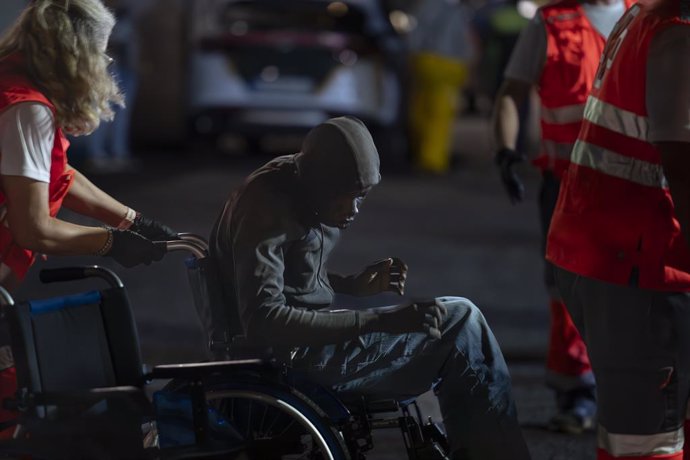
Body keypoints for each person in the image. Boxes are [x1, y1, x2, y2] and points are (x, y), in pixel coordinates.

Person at [210, 116, 532, 460]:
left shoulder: (295, 180)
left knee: (459, 313)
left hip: (301, 348)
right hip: (293, 359)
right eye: (344, 198)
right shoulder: (268, 205)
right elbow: (264, 319)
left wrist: (352, 285)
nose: (353, 210)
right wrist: (380, 320)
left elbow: (282, 276)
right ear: (319, 182)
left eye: (361, 196)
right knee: (462, 324)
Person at [0, 0, 177, 438]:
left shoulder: (17, 84)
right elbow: (34, 227)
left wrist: (132, 220)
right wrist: (113, 244)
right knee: (22, 397)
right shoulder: (27, 109)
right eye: (101, 49)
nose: (106, 60)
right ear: (76, 52)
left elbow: (57, 174)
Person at [545, 0, 690, 456]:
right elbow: (682, 166)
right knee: (648, 441)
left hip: (606, 252)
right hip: (641, 268)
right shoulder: (678, 36)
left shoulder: (647, 15)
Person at [491, 0, 632, 433]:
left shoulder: (645, 17)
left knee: (634, 288)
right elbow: (513, 90)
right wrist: (505, 150)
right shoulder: (551, 22)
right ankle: (577, 393)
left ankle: (632, 386)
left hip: (633, 186)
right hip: (566, 185)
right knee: (567, 290)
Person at [406, 0, 474, 174]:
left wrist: (411, 55)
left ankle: (419, 152)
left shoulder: (426, 5)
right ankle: (432, 159)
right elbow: (463, 39)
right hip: (449, 63)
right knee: (440, 113)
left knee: (421, 108)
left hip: (425, 60)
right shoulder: (457, 9)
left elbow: (415, 33)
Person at [83, 0, 139, 173]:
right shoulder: (95, 16)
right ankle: (96, 155)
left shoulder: (127, 17)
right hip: (105, 70)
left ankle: (118, 153)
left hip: (126, 69)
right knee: (100, 113)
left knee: (121, 116)